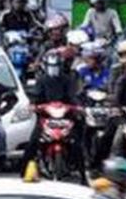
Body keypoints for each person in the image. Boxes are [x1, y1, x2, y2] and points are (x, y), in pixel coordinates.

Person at [21, 51, 85, 181]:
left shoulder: (68, 80)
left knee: (77, 143)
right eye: (51, 66)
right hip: (46, 117)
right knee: (33, 142)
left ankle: (82, 174)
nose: (53, 69)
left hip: (65, 117)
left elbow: (73, 97)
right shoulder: (41, 80)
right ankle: (23, 171)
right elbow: (35, 95)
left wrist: (78, 107)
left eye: (56, 66)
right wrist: (33, 105)